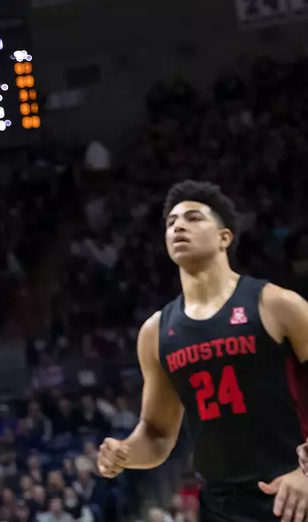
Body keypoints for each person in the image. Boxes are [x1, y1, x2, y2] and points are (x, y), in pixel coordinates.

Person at [98, 182, 308, 522]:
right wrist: (126, 453)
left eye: (193, 218)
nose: (178, 226)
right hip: (220, 504)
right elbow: (157, 434)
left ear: (225, 237)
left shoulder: (276, 304)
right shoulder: (155, 332)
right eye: (171, 223)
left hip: (294, 491)